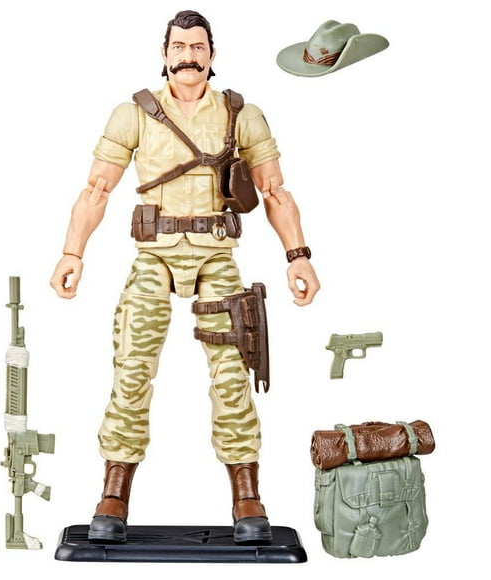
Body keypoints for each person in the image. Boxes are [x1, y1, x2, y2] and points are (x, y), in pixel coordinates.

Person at [50, 10, 320, 544]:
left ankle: (246, 492)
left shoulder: (241, 114)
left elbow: (274, 191)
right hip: (154, 255)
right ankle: (114, 490)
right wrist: (71, 252)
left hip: (216, 255)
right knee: (132, 366)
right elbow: (96, 189)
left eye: (198, 47)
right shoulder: (134, 114)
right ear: (165, 53)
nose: (189, 56)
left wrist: (298, 255)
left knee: (233, 370)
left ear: (212, 55)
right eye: (179, 47)